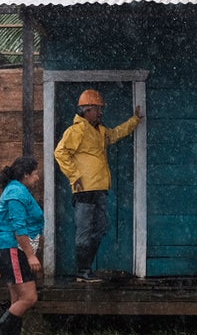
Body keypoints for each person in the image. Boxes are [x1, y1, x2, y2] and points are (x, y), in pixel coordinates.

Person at [53, 89, 142, 283]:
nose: (101, 113)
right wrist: (74, 175)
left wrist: (134, 120)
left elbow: (116, 134)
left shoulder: (100, 131)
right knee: (84, 231)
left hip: (100, 188)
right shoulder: (76, 131)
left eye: (101, 109)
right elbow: (60, 153)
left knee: (101, 228)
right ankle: (83, 271)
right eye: (97, 109)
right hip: (84, 189)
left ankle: (85, 269)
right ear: (86, 110)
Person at [0, 156, 44, 335]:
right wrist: (30, 256)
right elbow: (19, 227)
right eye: (35, 174)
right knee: (29, 297)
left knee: (17, 299)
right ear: (25, 175)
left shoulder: (16, 190)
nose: (37, 178)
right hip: (13, 249)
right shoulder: (16, 193)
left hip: (11, 249)